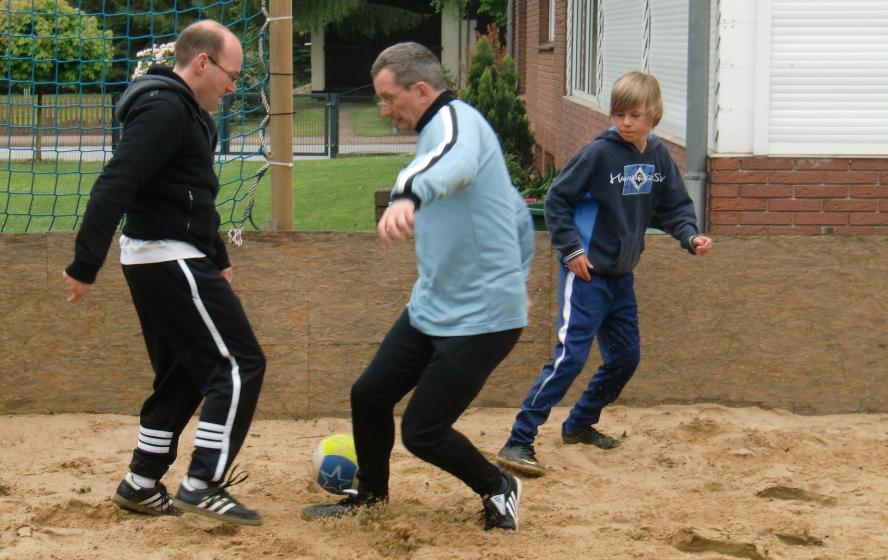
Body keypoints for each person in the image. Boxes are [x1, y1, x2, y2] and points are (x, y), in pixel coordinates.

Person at [300, 42, 535, 531]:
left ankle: (498, 488)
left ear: (421, 90)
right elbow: (514, 213)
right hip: (434, 304)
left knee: (423, 431)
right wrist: (519, 271)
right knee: (369, 395)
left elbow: (454, 160)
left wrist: (407, 193)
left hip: (482, 319)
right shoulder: (448, 131)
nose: (384, 111)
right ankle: (371, 496)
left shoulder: (455, 125)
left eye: (388, 99)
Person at [62, 20, 266, 525]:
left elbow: (193, 196)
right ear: (202, 63)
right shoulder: (163, 109)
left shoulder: (189, 114)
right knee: (238, 365)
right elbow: (116, 183)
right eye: (231, 73)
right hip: (165, 255)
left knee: (186, 373)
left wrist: (218, 258)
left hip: (168, 256)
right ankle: (203, 482)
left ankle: (141, 482)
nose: (234, 85)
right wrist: (85, 262)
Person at [496, 71, 714, 477]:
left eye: (634, 115)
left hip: (621, 277)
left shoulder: (658, 157)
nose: (626, 122)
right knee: (570, 357)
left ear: (654, 115)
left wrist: (690, 237)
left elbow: (674, 208)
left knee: (625, 358)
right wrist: (571, 250)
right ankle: (519, 440)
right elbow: (558, 199)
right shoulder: (599, 154)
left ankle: (579, 424)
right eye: (619, 114)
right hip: (586, 276)